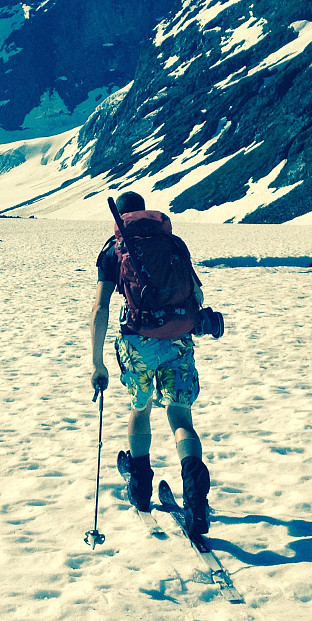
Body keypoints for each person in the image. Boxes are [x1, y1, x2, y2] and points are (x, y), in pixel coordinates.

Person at [90, 190, 211, 534]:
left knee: (140, 409)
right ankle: (196, 500)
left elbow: (100, 308)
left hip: (137, 342)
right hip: (176, 338)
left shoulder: (114, 249)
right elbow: (195, 294)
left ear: (119, 220)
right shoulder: (172, 242)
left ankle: (140, 488)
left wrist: (98, 363)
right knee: (179, 414)